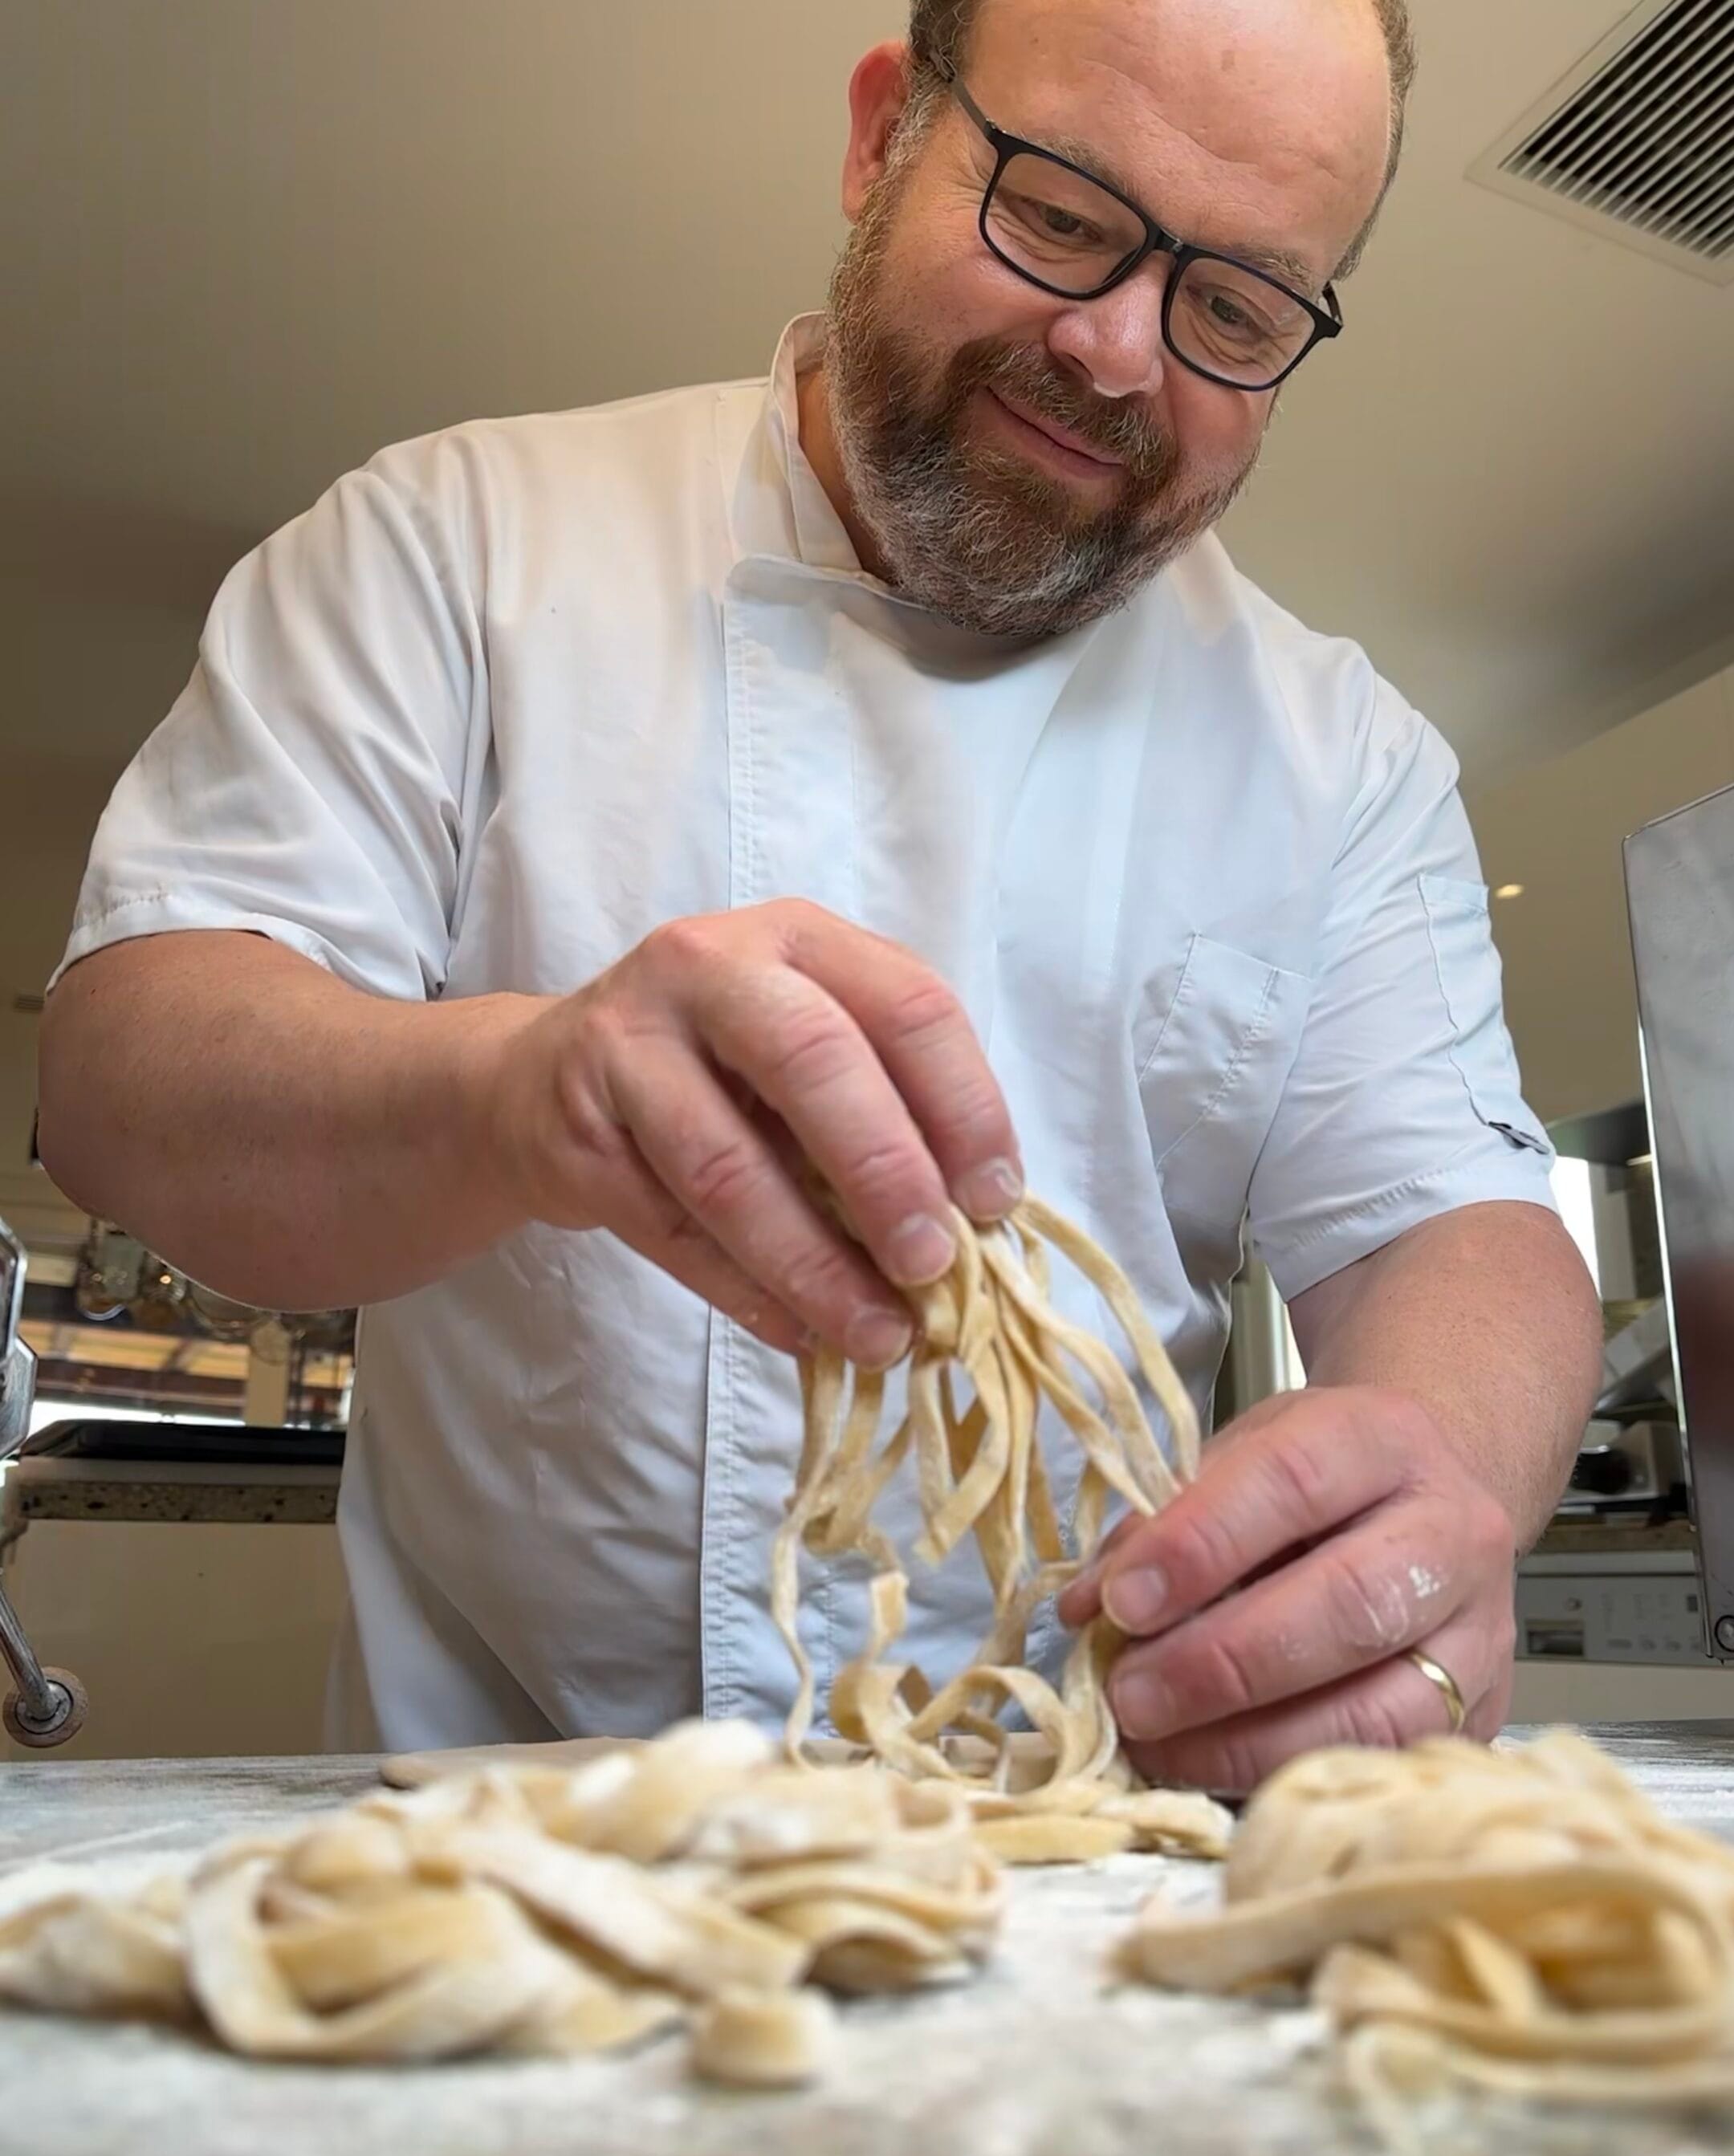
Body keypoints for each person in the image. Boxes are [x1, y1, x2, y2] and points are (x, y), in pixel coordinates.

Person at [37, 0, 1602, 1788]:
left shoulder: (1344, 757)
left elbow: (1454, 1224)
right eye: (1064, 216)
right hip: (493, 1832)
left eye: (1235, 309)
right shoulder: (453, 543)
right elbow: (125, 1072)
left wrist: (1431, 1469)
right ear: (882, 139)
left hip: (1071, 1852)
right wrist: (516, 1093)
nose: (1114, 350)